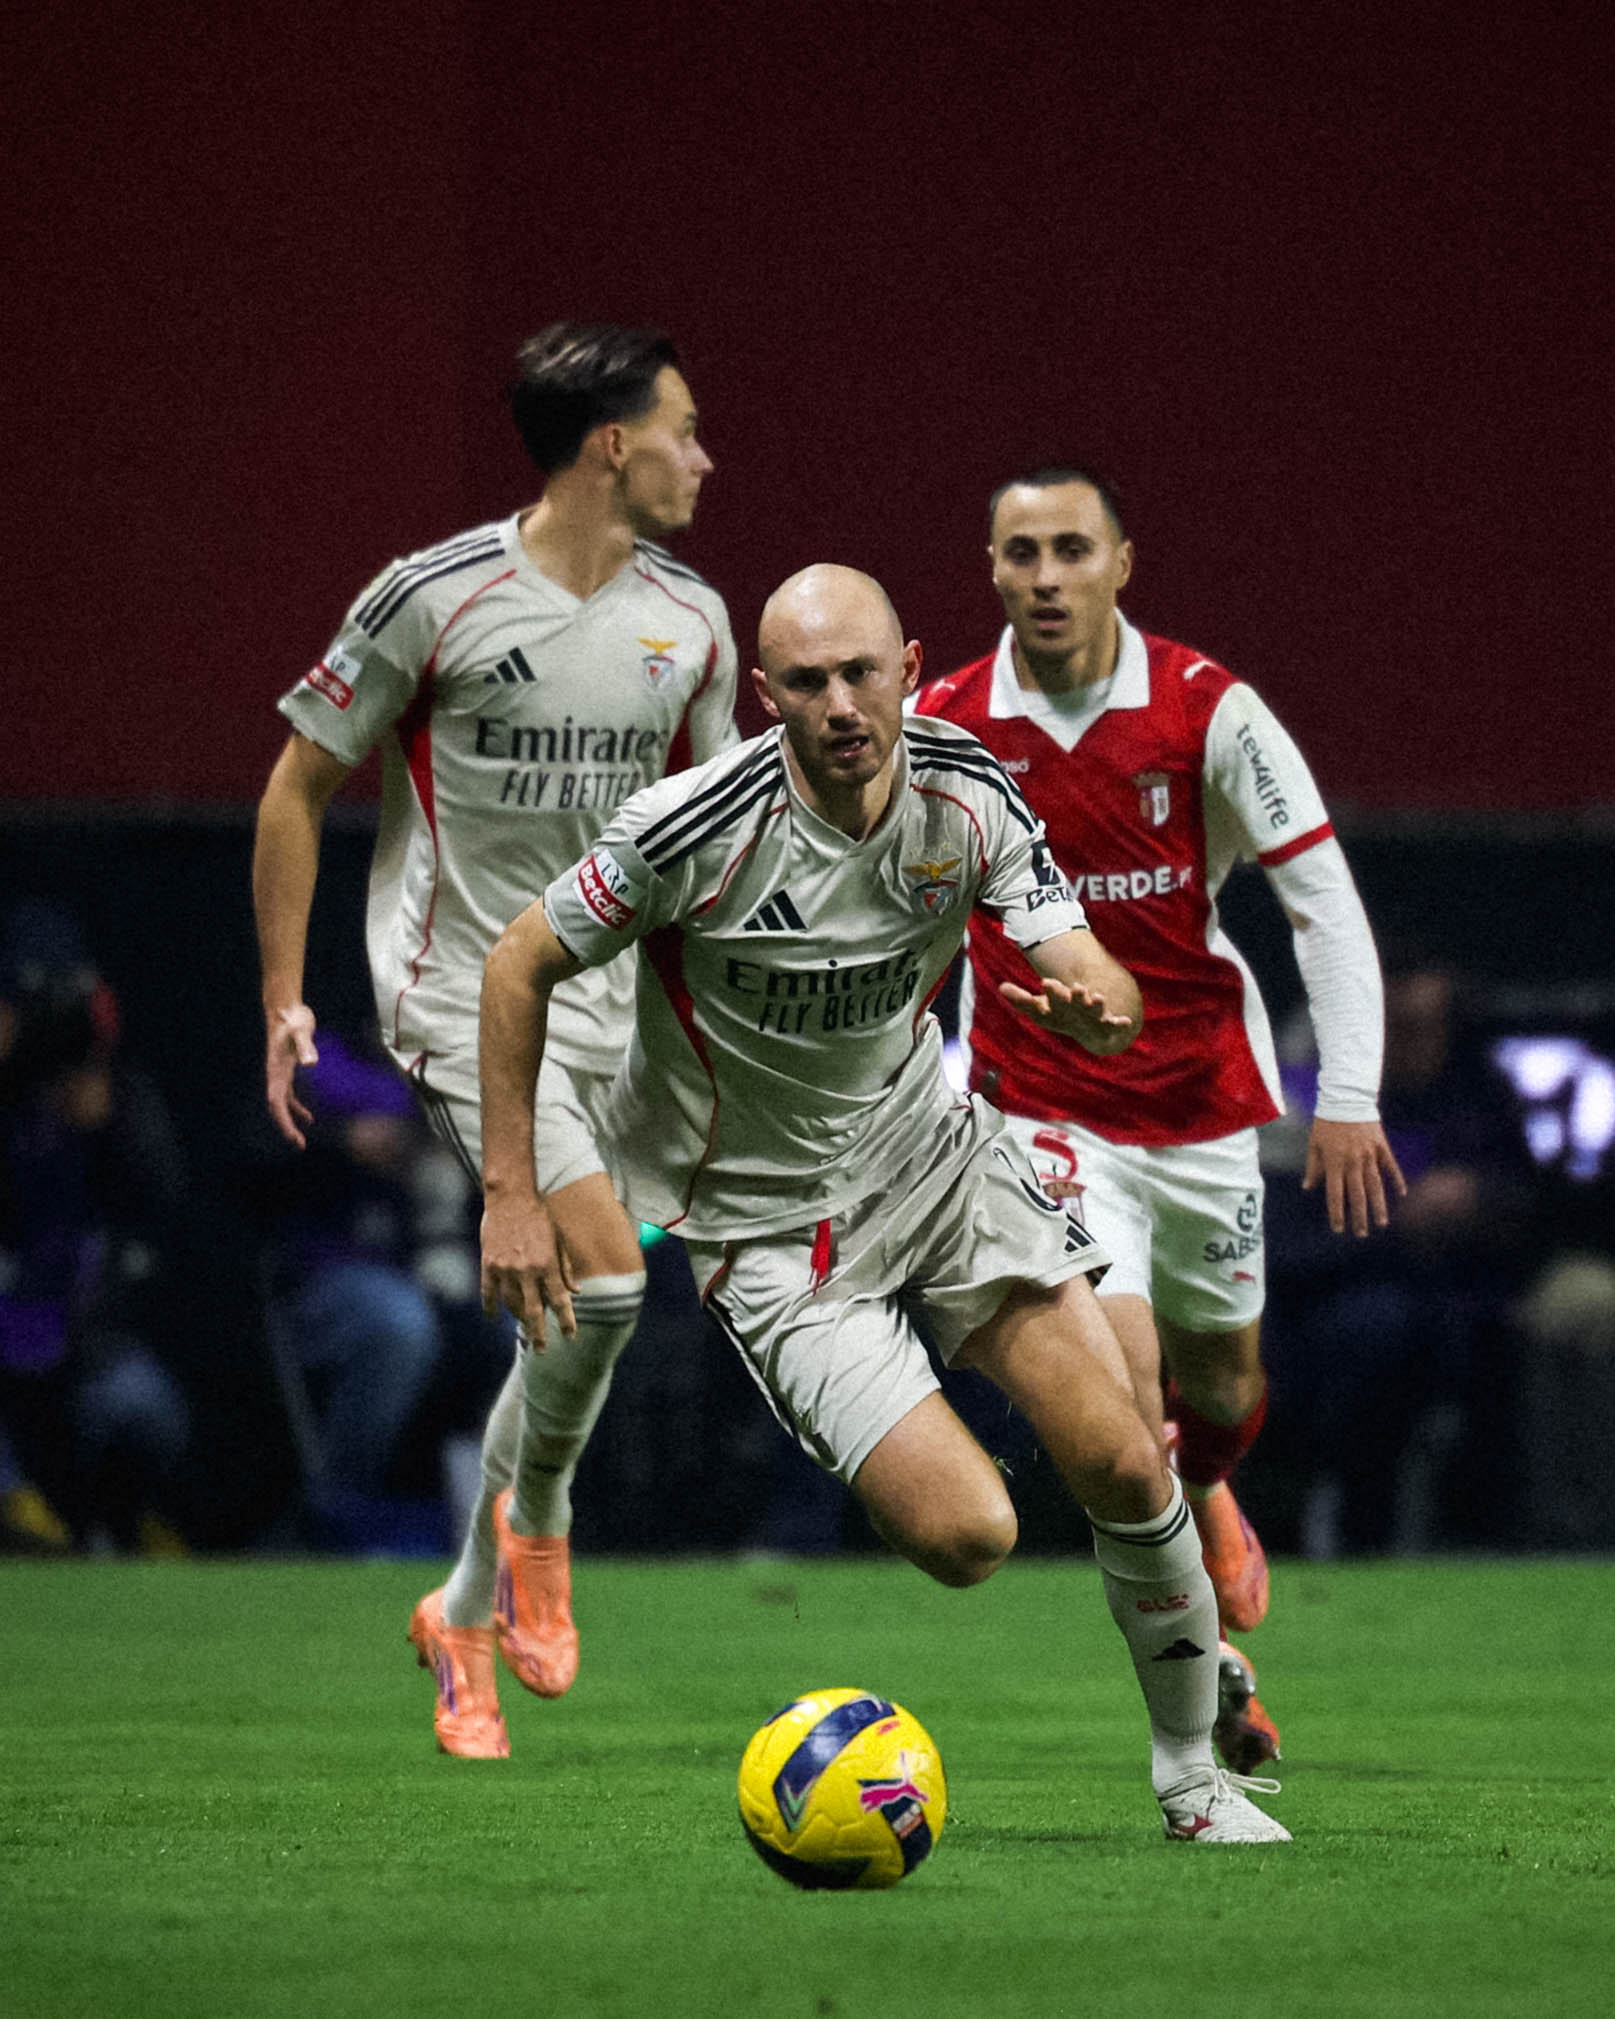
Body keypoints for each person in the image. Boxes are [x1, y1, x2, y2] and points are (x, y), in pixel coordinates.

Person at [479, 563, 1290, 1843]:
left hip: (935, 1161)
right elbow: (516, 965)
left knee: (1130, 1459)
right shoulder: (690, 829)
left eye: (862, 673)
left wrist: (1100, 1012)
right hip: (769, 1232)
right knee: (970, 1537)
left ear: (909, 670)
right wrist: (510, 1194)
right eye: (808, 683)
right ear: (767, 696)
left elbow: (1093, 971)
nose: (841, 705)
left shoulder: (965, 789)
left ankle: (1195, 1780)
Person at [252, 323, 738, 1755]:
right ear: (612, 445)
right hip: (460, 991)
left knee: (586, 1305)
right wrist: (284, 997)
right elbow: (294, 792)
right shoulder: (432, 596)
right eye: (684, 429)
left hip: (610, 1002)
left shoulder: (695, 620)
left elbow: (723, 839)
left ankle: (461, 1606)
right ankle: (540, 1524)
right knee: (606, 1278)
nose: (703, 457)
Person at [913, 466, 1405, 1770]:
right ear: (991, 568)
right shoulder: (944, 726)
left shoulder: (1205, 709)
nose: (1045, 576)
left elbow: (1320, 900)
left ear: (1120, 562)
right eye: (1020, 551)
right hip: (1039, 1114)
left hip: (1197, 1109)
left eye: (1071, 548)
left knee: (1221, 1392)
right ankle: (1209, 1685)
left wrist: (1347, 1097)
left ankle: (1210, 1482)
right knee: (1119, 1415)